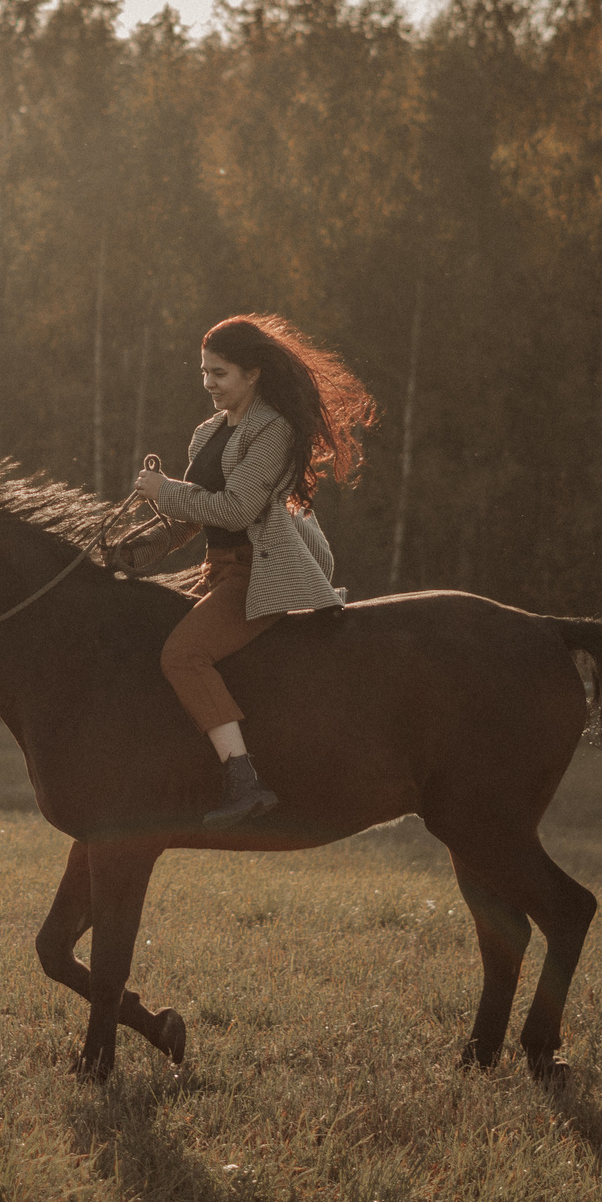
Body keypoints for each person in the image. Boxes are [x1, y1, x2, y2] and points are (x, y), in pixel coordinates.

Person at [128, 314, 376, 826]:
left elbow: (237, 509)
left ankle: (246, 782)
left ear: (253, 373)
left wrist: (166, 492)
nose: (208, 384)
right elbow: (196, 512)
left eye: (219, 373)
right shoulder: (206, 434)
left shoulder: (273, 430)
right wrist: (137, 548)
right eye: (203, 372)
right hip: (216, 571)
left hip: (256, 576)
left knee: (184, 655)